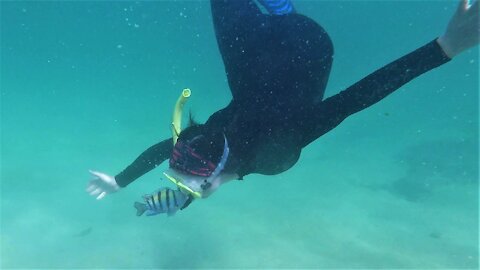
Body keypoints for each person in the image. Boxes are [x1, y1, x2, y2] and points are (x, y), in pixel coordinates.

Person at [87, 0, 479, 216]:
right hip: (306, 48)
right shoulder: (280, 142)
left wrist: (120, 182)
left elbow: (177, 160)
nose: (184, 185)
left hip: (259, 62)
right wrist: (442, 49)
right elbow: (355, 99)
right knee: (262, 27)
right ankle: (279, 10)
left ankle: (277, 12)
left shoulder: (215, 150)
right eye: (184, 181)